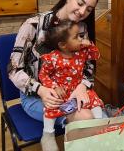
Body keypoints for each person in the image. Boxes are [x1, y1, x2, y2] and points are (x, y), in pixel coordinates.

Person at [8, 0, 99, 127]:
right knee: (87, 119)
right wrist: (41, 89)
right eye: (80, 3)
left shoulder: (82, 28)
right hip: (36, 96)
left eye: (89, 9)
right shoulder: (33, 24)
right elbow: (13, 70)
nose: (82, 12)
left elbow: (88, 66)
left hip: (72, 91)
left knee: (99, 119)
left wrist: (82, 86)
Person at [39, 20, 104, 151]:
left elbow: (96, 55)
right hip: (62, 91)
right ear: (63, 45)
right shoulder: (52, 58)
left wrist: (88, 43)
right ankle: (48, 133)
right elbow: (43, 75)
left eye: (81, 35)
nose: (81, 39)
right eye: (77, 37)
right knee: (52, 106)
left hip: (78, 87)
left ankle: (98, 125)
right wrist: (54, 86)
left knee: (93, 100)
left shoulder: (82, 52)